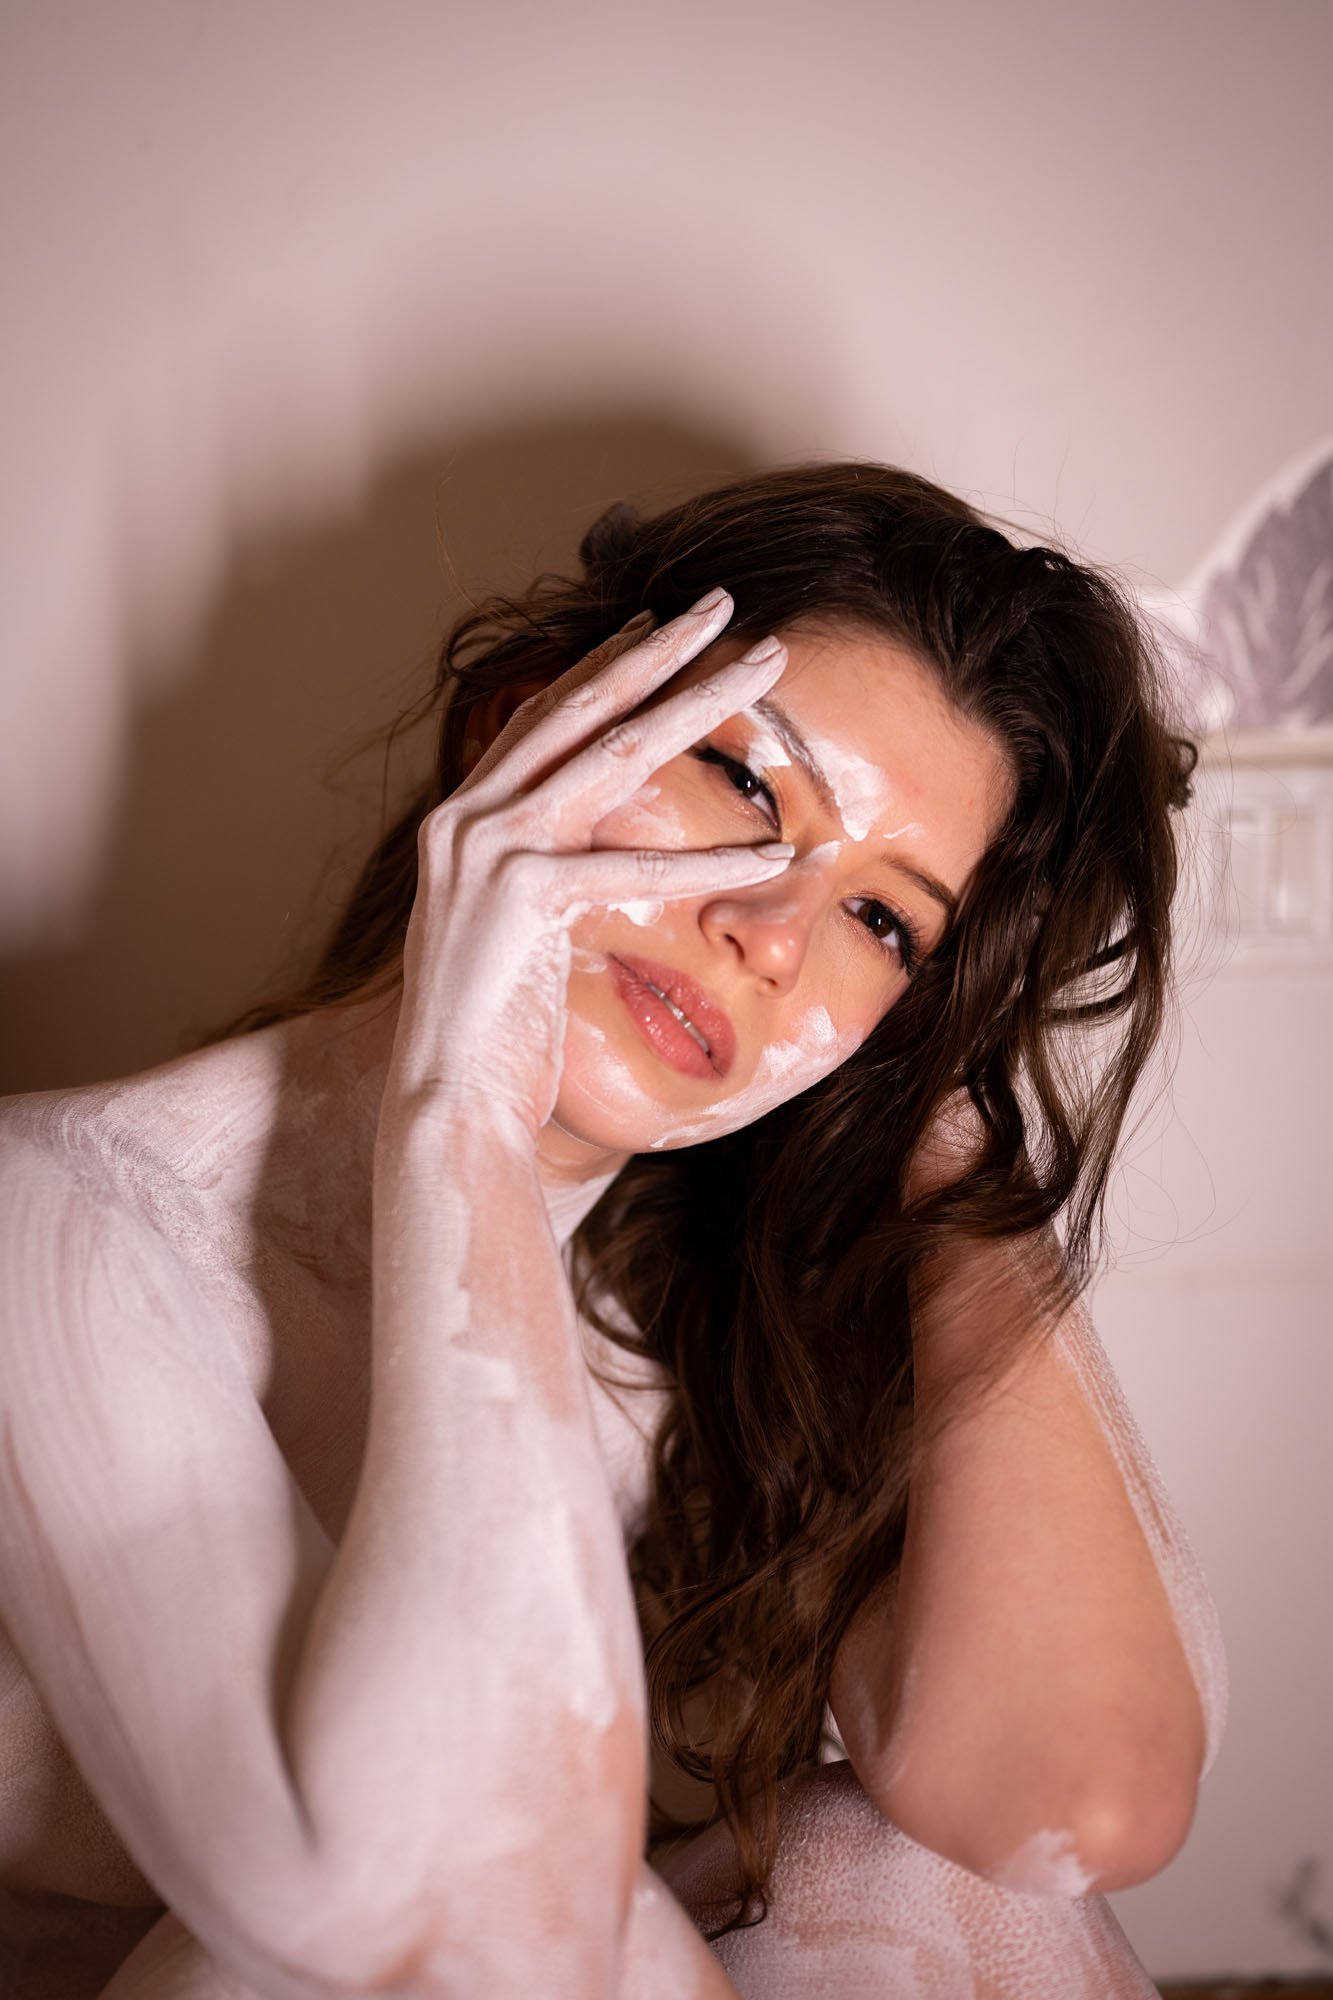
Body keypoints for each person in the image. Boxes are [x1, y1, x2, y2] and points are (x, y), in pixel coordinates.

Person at [0, 461, 1225, 1999]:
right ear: (524, 729)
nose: (769, 938)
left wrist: (947, 1116)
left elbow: (1072, 1805)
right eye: (744, 785)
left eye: (880, 920)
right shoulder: (67, 1221)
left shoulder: (667, 1334)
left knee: (924, 1876)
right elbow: (410, 1907)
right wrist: (461, 1108)